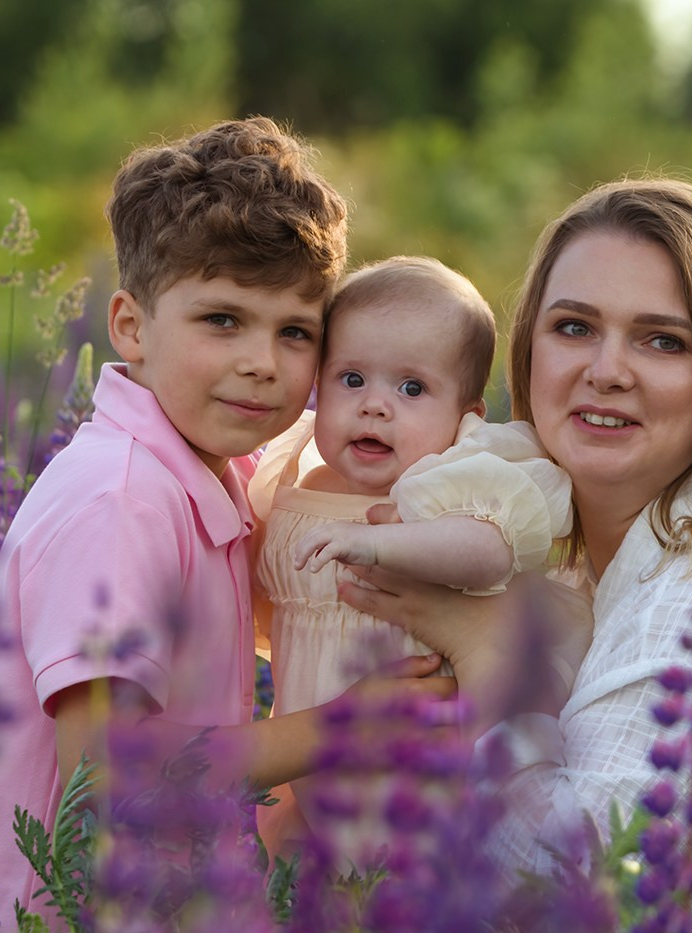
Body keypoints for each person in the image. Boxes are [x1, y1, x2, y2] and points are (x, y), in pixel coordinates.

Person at [337, 178, 692, 882]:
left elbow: (579, 883)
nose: (606, 371)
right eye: (575, 327)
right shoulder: (586, 572)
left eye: (662, 340)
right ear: (529, 350)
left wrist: (481, 647)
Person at [0, 118, 453, 925]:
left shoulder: (219, 469)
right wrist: (338, 727)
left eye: (296, 332)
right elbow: (106, 775)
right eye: (223, 319)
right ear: (130, 327)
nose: (263, 361)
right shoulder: (120, 500)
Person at [248, 255, 581, 865]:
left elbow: (487, 554)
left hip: (425, 769)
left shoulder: (448, 482)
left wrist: (380, 545)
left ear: (466, 418)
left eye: (411, 388)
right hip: (311, 770)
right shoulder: (291, 475)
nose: (376, 406)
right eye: (352, 380)